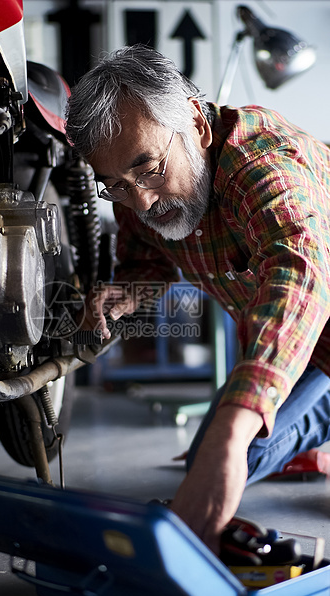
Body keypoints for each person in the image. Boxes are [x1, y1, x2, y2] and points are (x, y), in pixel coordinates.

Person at [65, 44, 330, 553]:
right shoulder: (137, 190)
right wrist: (126, 293)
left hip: (314, 316)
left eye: (149, 170)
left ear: (197, 125)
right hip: (296, 351)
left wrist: (236, 426)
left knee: (230, 442)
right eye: (115, 186)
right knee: (209, 462)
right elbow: (151, 260)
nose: (141, 201)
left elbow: (301, 275)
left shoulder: (263, 168)